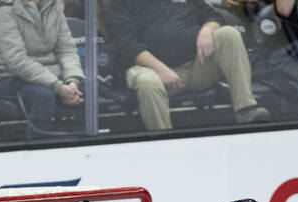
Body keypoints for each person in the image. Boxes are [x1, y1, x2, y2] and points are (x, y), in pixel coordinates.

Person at [105, 0, 271, 131]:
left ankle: (246, 110)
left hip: (195, 67)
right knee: (147, 81)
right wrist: (161, 69)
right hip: (150, 70)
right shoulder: (120, 3)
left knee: (228, 34)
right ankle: (163, 139)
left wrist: (207, 30)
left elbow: (214, 17)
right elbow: (127, 45)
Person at [0, 0, 85, 137]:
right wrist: (58, 87)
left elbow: (67, 50)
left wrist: (72, 81)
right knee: (43, 96)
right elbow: (17, 61)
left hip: (49, 74)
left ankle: (81, 145)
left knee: (87, 90)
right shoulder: (5, 12)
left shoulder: (55, 8)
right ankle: (37, 145)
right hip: (7, 77)